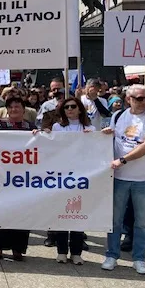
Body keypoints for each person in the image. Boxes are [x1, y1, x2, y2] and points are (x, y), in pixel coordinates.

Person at [101, 84, 145, 275]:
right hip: (119, 177)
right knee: (114, 220)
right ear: (128, 99)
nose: (144, 102)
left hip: (144, 178)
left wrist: (123, 160)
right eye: (139, 98)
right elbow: (111, 138)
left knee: (142, 222)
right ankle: (111, 254)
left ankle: (139, 258)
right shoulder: (118, 116)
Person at [0, 96, 34, 261]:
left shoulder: (30, 127)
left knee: (22, 212)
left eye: (17, 106)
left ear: (24, 110)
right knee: (2, 210)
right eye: (11, 107)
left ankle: (18, 249)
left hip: (23, 177)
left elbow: (40, 146)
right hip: (2, 175)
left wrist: (41, 135)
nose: (14, 110)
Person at [48, 97, 94, 265]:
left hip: (82, 177)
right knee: (62, 214)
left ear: (80, 109)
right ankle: (61, 251)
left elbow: (95, 150)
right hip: (62, 176)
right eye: (66, 107)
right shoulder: (57, 127)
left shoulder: (90, 129)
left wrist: (97, 137)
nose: (69, 109)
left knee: (78, 215)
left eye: (73, 106)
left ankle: (76, 253)